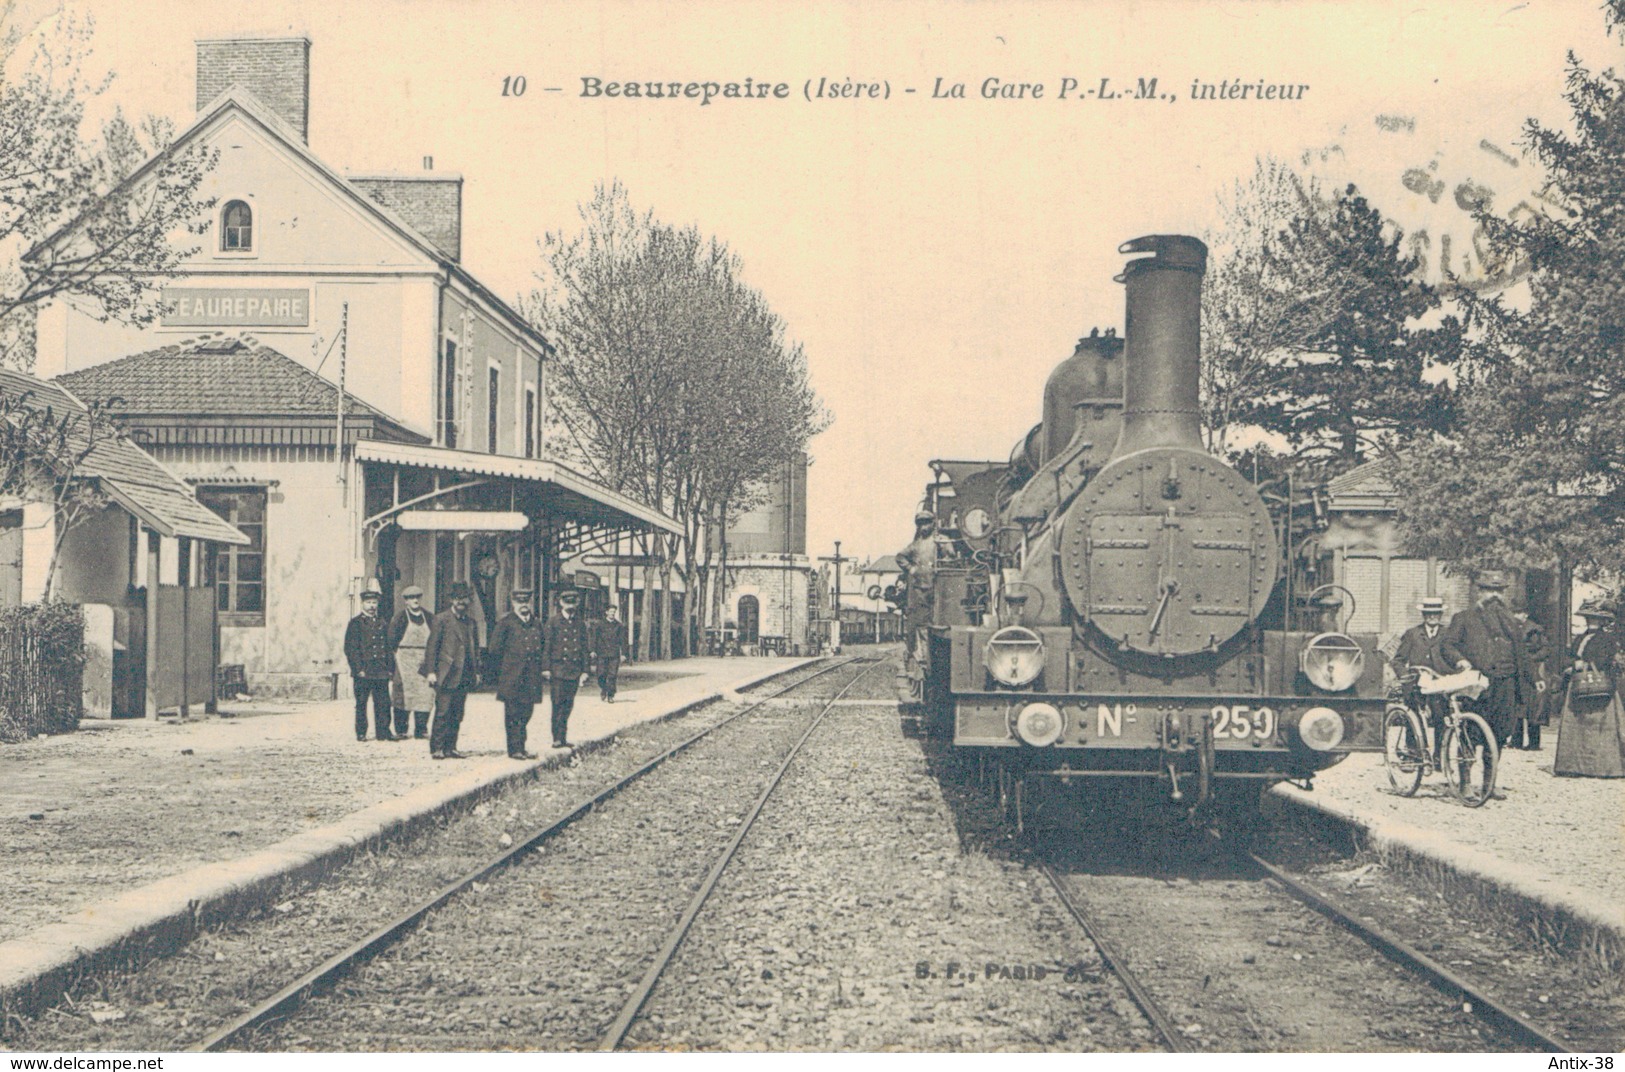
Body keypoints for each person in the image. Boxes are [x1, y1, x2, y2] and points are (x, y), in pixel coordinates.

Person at [1439, 569, 1534, 748]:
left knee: (1500, 732)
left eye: (1499, 592)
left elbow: (1521, 653)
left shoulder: (1511, 622)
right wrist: (1460, 660)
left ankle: (1490, 775)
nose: (1494, 596)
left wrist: (1534, 678)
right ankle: (1464, 773)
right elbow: (1447, 645)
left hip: (1506, 683)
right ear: (1480, 592)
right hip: (1477, 682)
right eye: (1490, 591)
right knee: (1471, 731)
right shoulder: (1464, 618)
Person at [1554, 600, 1625, 778]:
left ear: (1602, 622)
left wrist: (1582, 664)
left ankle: (1602, 767)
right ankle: (1574, 766)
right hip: (1578, 685)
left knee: (1599, 725)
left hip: (1598, 683)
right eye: (1589, 618)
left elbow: (1604, 660)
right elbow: (1569, 656)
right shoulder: (1580, 637)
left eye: (1595, 619)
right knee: (1578, 724)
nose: (1591, 622)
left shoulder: (1607, 639)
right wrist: (1572, 664)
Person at [421, 582, 479, 759]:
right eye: (458, 598)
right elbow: (432, 647)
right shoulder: (441, 619)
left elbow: (474, 649)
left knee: (457, 713)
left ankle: (451, 747)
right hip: (446, 674)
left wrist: (476, 672)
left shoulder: (471, 622)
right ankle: (437, 748)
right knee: (443, 711)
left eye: (465, 599)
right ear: (452, 600)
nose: (462, 602)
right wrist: (431, 671)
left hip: (464, 674)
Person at [895, 509, 949, 697]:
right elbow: (900, 557)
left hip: (938, 588)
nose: (924, 526)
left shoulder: (939, 541)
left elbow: (950, 556)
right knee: (919, 624)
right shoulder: (915, 546)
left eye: (927, 522)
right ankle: (919, 656)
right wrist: (911, 570)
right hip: (919, 590)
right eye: (921, 523)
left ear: (933, 523)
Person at [488, 588, 544, 760]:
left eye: (526, 602)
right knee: (513, 714)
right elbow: (494, 650)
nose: (523, 606)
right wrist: (502, 674)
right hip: (512, 677)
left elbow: (542, 647)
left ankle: (521, 745)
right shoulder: (505, 623)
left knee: (527, 712)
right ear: (513, 604)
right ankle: (515, 749)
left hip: (531, 677)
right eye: (520, 603)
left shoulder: (536, 624)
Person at [1392, 596, 1452, 757]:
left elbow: (1453, 656)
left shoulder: (1448, 634)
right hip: (1415, 683)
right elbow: (1398, 661)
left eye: (1436, 613)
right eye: (1428, 613)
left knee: (1441, 718)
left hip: (1439, 683)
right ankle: (1414, 754)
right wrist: (1405, 677)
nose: (1432, 616)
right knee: (1414, 718)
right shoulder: (1413, 634)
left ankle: (1440, 756)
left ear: (1440, 615)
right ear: (1423, 615)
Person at [343, 581, 398, 741]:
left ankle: (384, 732)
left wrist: (390, 669)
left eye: (374, 602)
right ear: (362, 603)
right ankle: (361, 732)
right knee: (361, 703)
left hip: (380, 669)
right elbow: (350, 649)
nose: (372, 606)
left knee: (383, 703)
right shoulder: (355, 623)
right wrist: (358, 668)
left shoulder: (382, 623)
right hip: (364, 670)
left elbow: (388, 648)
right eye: (368, 602)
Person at [543, 588, 592, 749]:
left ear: (576, 604)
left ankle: (562, 737)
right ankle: (557, 738)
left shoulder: (580, 624)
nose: (570, 606)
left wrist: (585, 670)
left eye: (573, 603)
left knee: (568, 705)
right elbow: (547, 647)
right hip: (558, 669)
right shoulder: (553, 622)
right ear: (561, 603)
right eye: (567, 603)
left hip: (574, 670)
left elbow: (585, 648)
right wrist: (546, 668)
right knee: (557, 704)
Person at [389, 585, 435, 740]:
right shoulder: (399, 618)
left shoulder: (429, 617)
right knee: (402, 693)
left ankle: (421, 729)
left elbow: (435, 639)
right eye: (411, 598)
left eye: (417, 597)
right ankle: (401, 729)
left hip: (424, 659)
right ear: (406, 601)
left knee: (426, 693)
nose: (415, 600)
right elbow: (391, 641)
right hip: (404, 661)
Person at [1511, 610, 1552, 751]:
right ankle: (1516, 741)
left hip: (1535, 670)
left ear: (1525, 614)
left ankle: (1534, 743)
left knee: (1534, 708)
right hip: (1519, 672)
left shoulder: (1535, 630)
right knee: (1518, 706)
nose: (1515, 616)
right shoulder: (1513, 628)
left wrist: (1530, 659)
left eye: (1518, 613)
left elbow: (1546, 650)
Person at [590, 605, 628, 703]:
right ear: (606, 612)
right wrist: (592, 650)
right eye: (610, 611)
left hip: (614, 654)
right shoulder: (599, 624)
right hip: (601, 654)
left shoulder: (619, 625)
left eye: (614, 612)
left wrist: (623, 654)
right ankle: (604, 689)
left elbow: (623, 640)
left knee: (612, 675)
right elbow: (594, 638)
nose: (612, 613)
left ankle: (610, 695)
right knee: (601, 674)